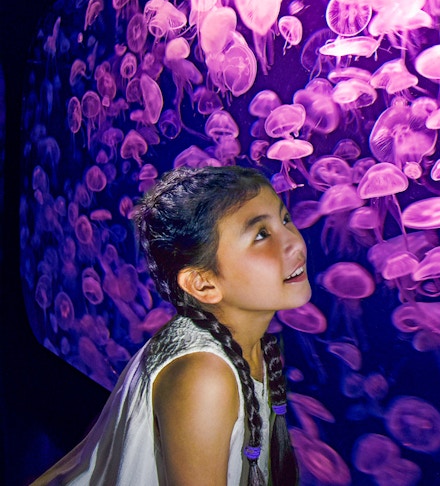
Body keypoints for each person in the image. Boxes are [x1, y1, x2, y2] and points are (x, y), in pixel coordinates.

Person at [33, 165, 311, 485]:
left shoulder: (252, 345)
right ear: (203, 284)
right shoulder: (204, 376)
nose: (294, 243)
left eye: (285, 219)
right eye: (261, 234)